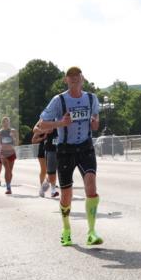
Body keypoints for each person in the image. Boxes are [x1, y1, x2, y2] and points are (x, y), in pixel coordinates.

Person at [35, 66, 103, 246]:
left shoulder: (91, 98)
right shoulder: (58, 100)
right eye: (70, 76)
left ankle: (92, 231)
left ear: (82, 79)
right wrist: (60, 123)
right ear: (66, 80)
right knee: (66, 195)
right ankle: (66, 229)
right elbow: (41, 125)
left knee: (91, 186)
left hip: (86, 147)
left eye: (77, 76)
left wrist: (95, 122)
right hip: (65, 150)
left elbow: (95, 125)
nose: (74, 79)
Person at [32, 125, 59, 198]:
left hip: (60, 150)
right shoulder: (45, 122)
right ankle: (45, 188)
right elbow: (34, 138)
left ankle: (51, 189)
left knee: (53, 171)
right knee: (46, 171)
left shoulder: (62, 121)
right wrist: (44, 134)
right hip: (47, 150)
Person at [0, 117, 18, 194]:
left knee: (10, 171)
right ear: (2, 123)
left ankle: (8, 184)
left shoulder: (13, 131)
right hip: (3, 152)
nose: (6, 123)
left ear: (9, 123)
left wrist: (13, 137)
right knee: (7, 169)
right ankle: (8, 188)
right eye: (4, 122)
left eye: (7, 122)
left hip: (11, 152)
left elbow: (16, 142)